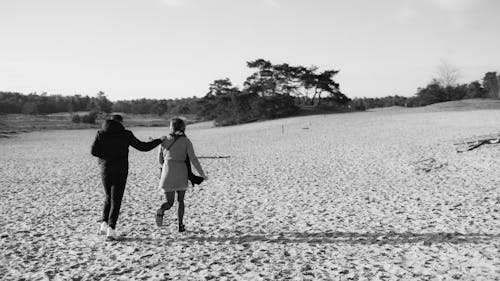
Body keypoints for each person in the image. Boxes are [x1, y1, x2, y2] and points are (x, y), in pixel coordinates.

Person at [91, 114, 164, 240]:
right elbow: (143, 147)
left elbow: (94, 151)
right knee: (116, 200)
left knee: (108, 196)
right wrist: (159, 140)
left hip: (105, 169)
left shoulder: (101, 133)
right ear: (120, 122)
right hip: (120, 169)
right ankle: (111, 230)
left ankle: (104, 225)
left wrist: (107, 157)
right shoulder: (126, 134)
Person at [156, 117, 207, 232]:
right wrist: (202, 174)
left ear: (171, 127)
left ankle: (161, 210)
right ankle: (180, 224)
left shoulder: (164, 140)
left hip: (167, 171)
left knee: (169, 202)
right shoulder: (186, 141)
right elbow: (193, 159)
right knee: (181, 200)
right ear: (183, 128)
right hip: (181, 171)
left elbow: (160, 161)